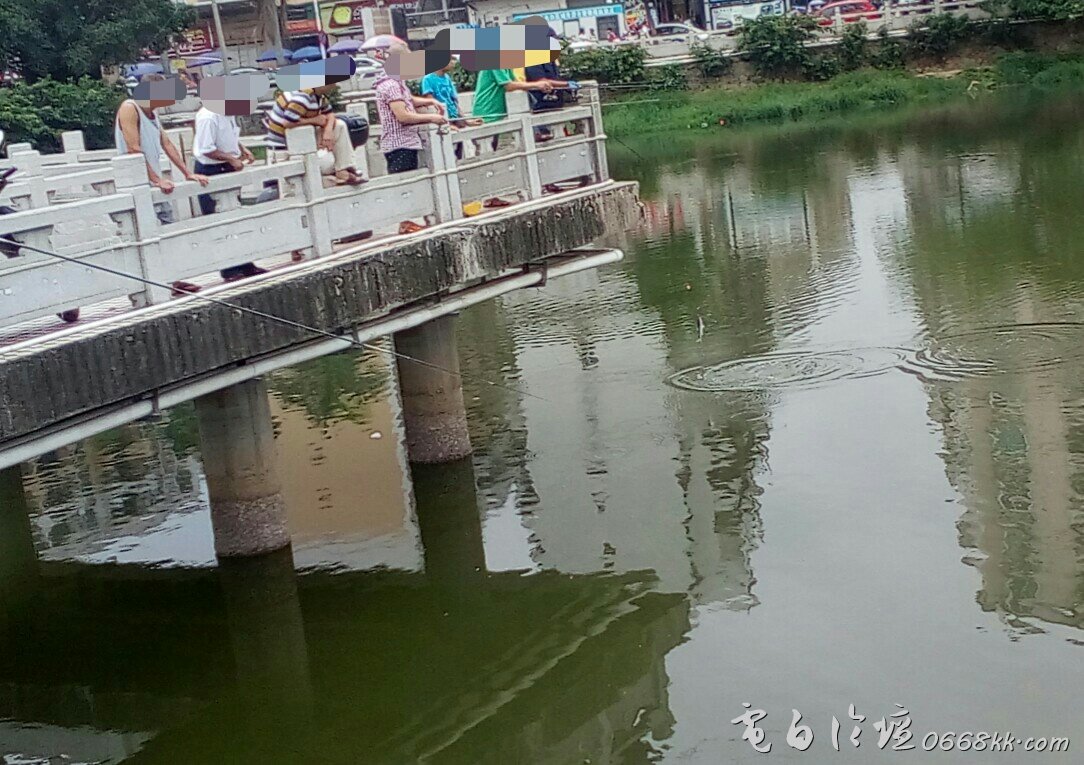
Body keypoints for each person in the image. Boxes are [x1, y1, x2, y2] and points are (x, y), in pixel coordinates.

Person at [115, 74, 210, 224]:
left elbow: (167, 144)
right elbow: (133, 149)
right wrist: (157, 180)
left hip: (154, 181)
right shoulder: (130, 108)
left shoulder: (153, 113)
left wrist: (188, 173)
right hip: (137, 183)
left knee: (168, 222)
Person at [193, 104, 266, 282]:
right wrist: (231, 158)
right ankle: (228, 268)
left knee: (236, 217)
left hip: (227, 166)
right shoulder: (209, 117)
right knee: (219, 221)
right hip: (211, 169)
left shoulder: (228, 113)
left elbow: (228, 136)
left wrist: (241, 149)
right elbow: (207, 149)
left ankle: (245, 263)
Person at [264, 82, 366, 185]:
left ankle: (343, 169)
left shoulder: (318, 96)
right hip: (284, 150)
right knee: (306, 183)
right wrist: (315, 120)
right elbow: (287, 122)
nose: (334, 86)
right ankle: (333, 178)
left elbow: (329, 114)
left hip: (301, 142)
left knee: (339, 125)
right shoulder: (303, 96)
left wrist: (328, 131)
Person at [372, 44, 448, 175]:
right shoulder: (391, 85)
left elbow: (408, 99)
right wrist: (431, 118)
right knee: (406, 183)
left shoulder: (396, 81)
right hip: (400, 145)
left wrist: (430, 101)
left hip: (406, 143)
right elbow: (403, 116)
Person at [472, 67, 558, 124]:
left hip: (497, 112)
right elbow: (508, 86)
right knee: (486, 145)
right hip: (486, 111)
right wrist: (536, 85)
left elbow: (516, 83)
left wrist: (540, 86)